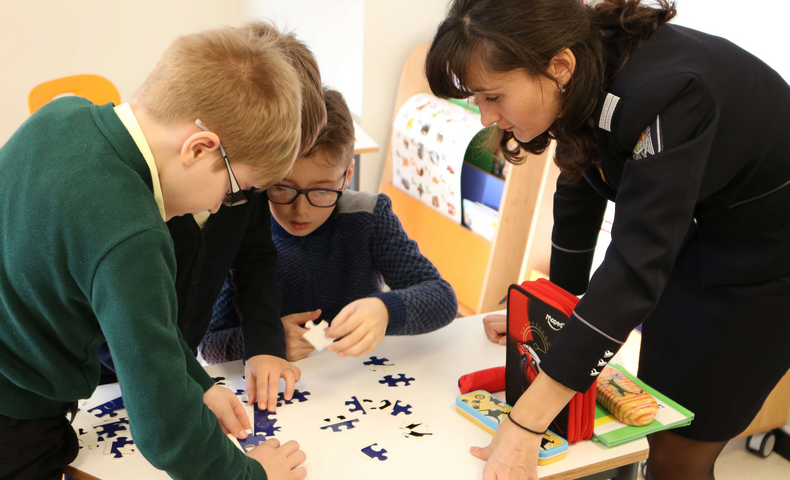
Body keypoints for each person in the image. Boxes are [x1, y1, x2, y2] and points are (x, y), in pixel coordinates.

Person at [425, 1, 790, 479]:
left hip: (770, 256)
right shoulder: (581, 67)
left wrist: (525, 423)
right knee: (655, 409)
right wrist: (550, 314)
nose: (485, 117)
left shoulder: (667, 95)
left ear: (558, 66)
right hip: (707, 226)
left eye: (492, 96)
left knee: (679, 450)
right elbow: (578, 184)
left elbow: (635, 268)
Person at [0, 23, 308, 480]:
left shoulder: (61, 114)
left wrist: (198, 382)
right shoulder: (133, 235)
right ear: (200, 148)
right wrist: (252, 477)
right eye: (234, 190)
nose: (220, 206)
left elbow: (139, 329)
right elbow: (167, 430)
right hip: (16, 424)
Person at [95, 23, 327, 415]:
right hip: (106, 372)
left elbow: (254, 260)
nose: (251, 193)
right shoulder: (133, 207)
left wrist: (265, 346)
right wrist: (185, 384)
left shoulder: (241, 176)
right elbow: (119, 328)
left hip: (176, 365)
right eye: (255, 179)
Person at [200, 88, 458, 364]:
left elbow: (442, 298)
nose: (301, 209)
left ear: (347, 176)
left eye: (322, 190)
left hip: (356, 375)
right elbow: (209, 346)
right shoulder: (244, 230)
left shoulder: (368, 216)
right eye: (283, 188)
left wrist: (386, 310)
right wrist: (263, 341)